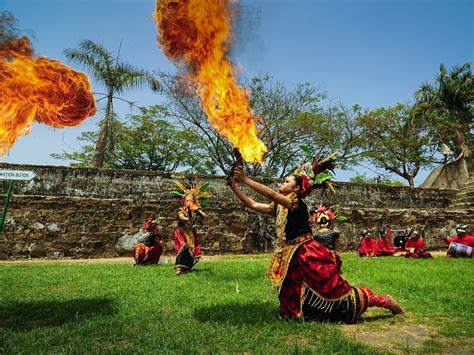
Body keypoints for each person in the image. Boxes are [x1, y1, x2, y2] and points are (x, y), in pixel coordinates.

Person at [229, 155, 403, 323]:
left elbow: (273, 196)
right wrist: (235, 188)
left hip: (307, 253)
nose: (282, 183)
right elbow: (253, 204)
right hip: (291, 255)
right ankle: (300, 314)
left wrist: (245, 179)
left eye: (287, 181)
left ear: (296, 189)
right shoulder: (280, 206)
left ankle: (383, 301)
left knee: (334, 289)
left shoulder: (296, 203)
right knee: (290, 291)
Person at [172, 180, 208, 275]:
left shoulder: (194, 210)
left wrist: (200, 211)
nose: (189, 201)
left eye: (191, 199)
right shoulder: (181, 210)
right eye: (188, 199)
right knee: (183, 247)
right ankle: (179, 268)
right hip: (181, 233)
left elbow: (204, 216)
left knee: (192, 250)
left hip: (191, 233)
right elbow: (181, 217)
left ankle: (186, 267)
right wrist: (187, 218)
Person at [311, 204, 342, 270]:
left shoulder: (315, 235)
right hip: (330, 255)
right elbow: (336, 244)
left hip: (320, 255)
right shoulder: (333, 233)